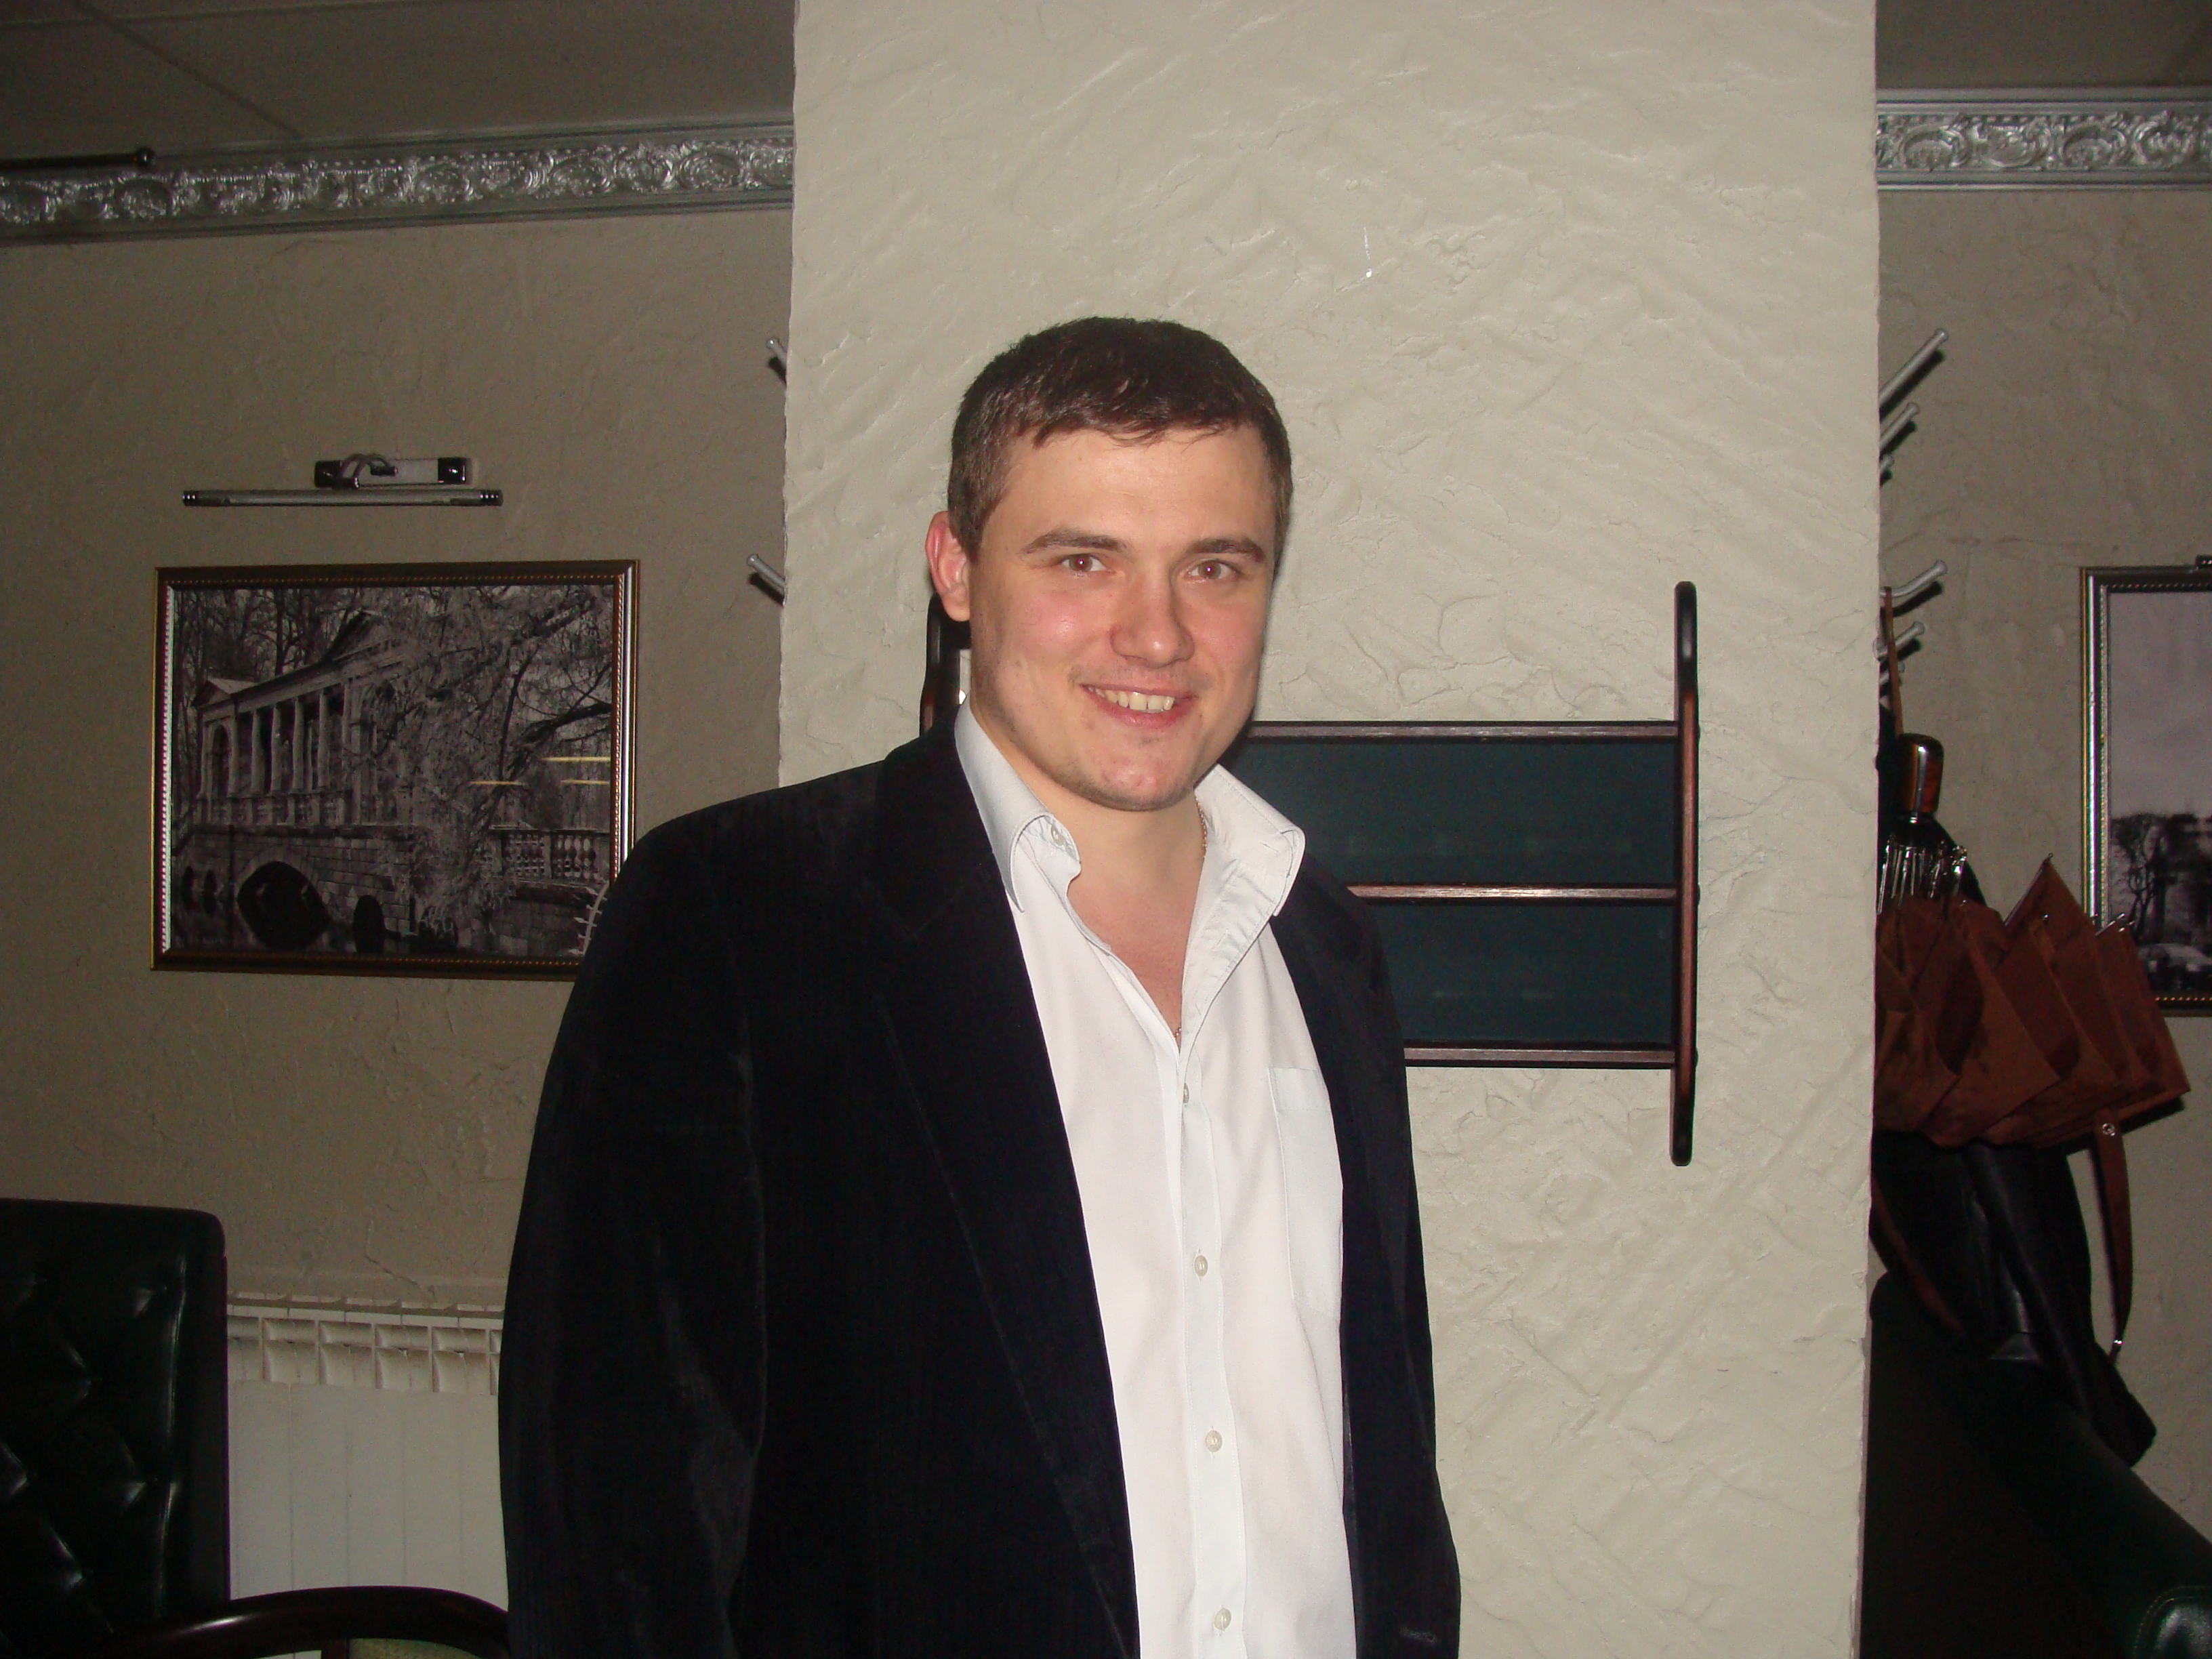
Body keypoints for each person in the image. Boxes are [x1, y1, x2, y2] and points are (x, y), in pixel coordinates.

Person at [501, 318, 1460, 1658]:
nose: (1157, 634)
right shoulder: (737, 920)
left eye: (1214, 567)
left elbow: (1384, 1454)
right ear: (956, 569)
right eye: (1083, 560)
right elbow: (619, 1520)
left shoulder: (1327, 949)